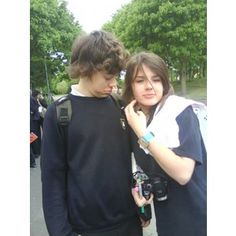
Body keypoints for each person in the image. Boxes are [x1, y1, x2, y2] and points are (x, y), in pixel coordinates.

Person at [40, 30, 145, 236]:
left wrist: (144, 209)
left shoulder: (121, 106)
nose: (114, 83)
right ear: (85, 69)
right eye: (107, 77)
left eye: (115, 76)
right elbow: (52, 181)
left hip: (130, 224)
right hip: (85, 229)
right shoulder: (60, 112)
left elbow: (139, 160)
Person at [123, 52, 207, 236]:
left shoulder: (180, 112)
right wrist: (139, 190)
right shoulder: (135, 121)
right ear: (130, 85)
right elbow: (142, 167)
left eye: (156, 79)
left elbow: (183, 173)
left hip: (198, 218)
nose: (150, 86)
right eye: (140, 80)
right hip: (167, 218)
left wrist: (143, 135)